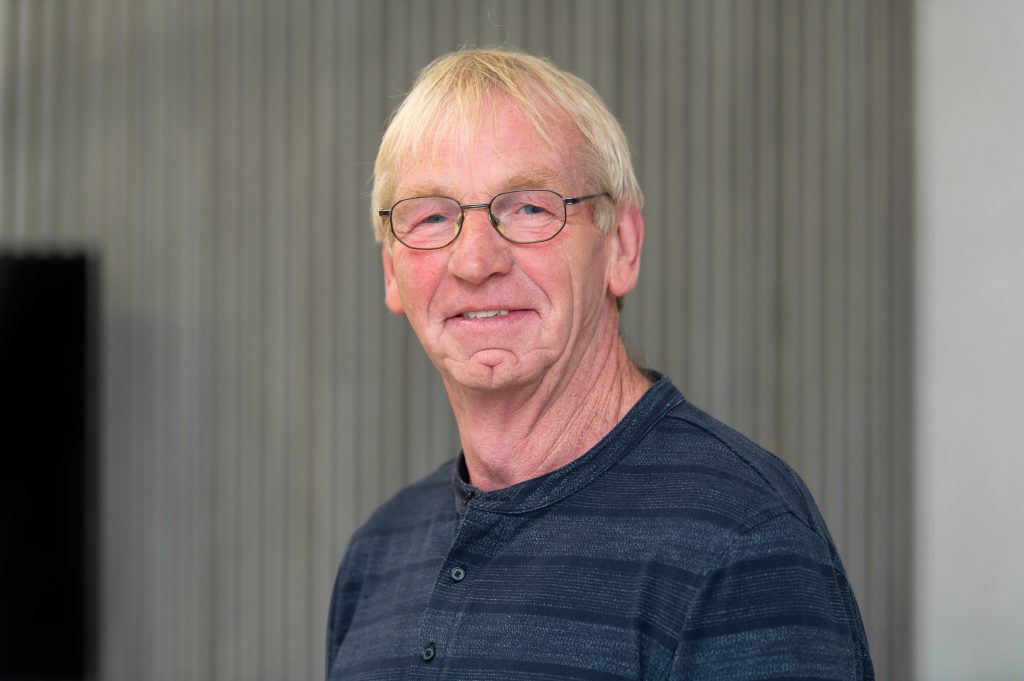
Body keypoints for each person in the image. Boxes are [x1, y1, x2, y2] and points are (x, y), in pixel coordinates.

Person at [326, 48, 873, 681]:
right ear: (392, 271)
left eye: (530, 208)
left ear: (622, 246)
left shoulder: (741, 540)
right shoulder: (378, 554)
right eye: (431, 216)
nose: (475, 262)